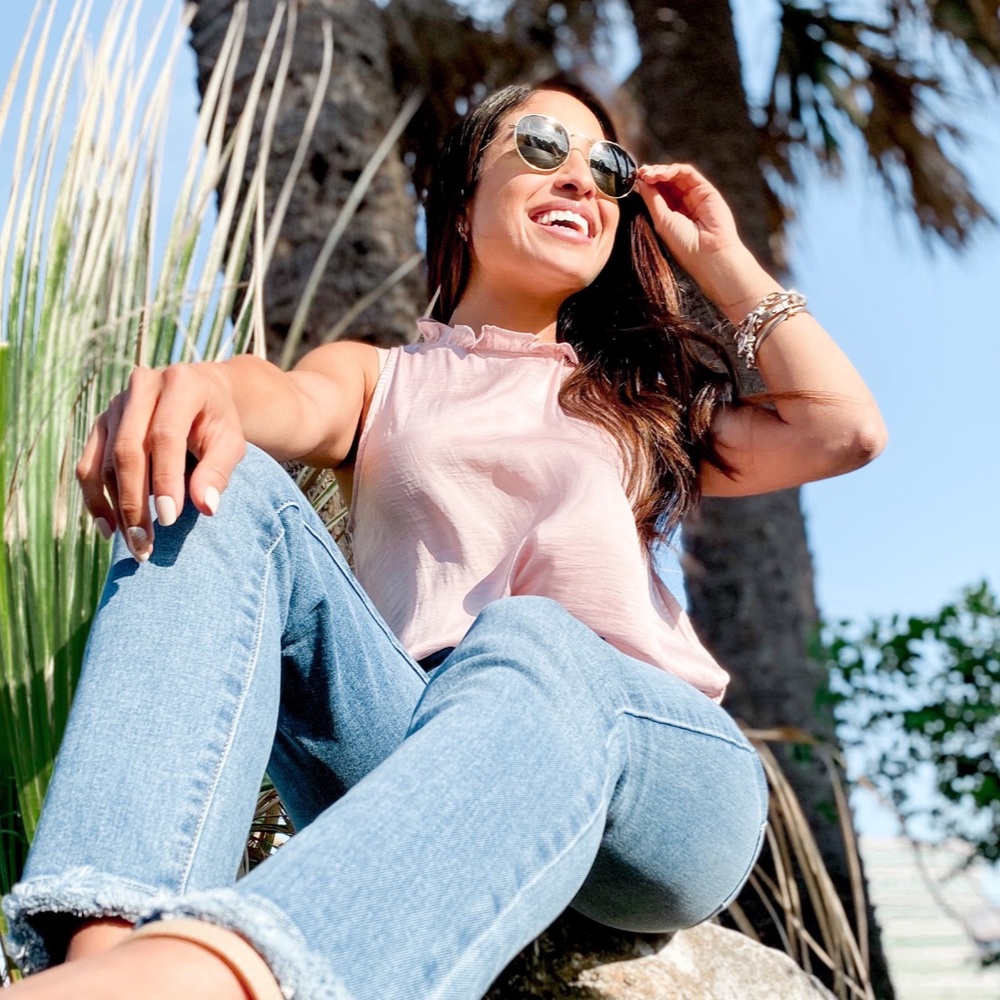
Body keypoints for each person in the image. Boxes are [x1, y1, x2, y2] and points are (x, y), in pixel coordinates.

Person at [2, 80, 886, 1000]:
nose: (583, 180)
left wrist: (722, 257)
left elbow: (843, 430)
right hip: (424, 757)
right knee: (219, 484)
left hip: (653, 784)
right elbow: (284, 400)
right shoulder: (381, 379)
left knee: (529, 634)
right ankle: (106, 956)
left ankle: (229, 975)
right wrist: (211, 395)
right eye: (542, 146)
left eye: (609, 169)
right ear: (463, 205)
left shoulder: (641, 408)